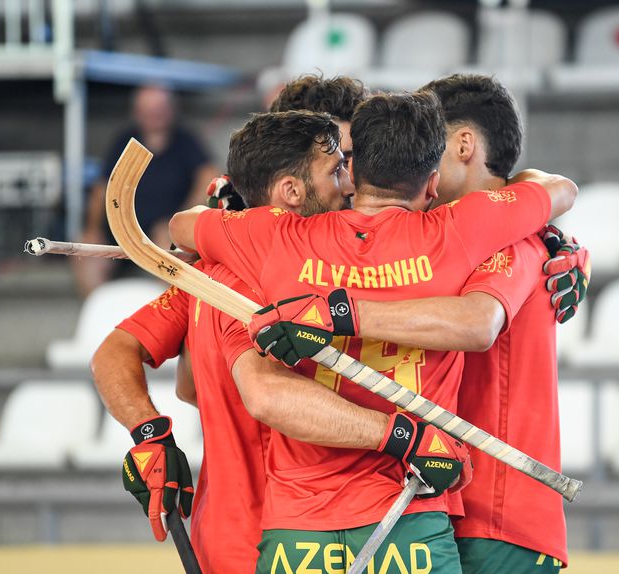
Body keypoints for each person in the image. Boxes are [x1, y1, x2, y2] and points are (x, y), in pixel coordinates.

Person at [169, 91, 577, 572]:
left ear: (355, 171)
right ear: (430, 183)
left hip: (296, 525)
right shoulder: (459, 229)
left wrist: (231, 216)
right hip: (406, 516)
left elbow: (182, 225)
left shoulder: (275, 237)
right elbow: (561, 189)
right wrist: (550, 231)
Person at [73, 85, 219, 297]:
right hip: (120, 227)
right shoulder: (125, 140)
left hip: (165, 228)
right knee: (85, 248)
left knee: (168, 242)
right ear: (136, 112)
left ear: (171, 110)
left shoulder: (185, 140)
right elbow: (102, 187)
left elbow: (209, 176)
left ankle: (167, 311)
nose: (154, 114)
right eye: (148, 109)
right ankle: (97, 310)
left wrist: (180, 220)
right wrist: (93, 227)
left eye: (160, 108)